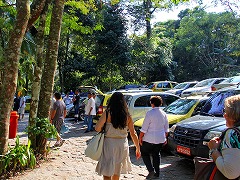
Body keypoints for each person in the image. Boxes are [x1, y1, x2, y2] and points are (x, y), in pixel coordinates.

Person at [95, 92, 141, 180]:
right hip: (122, 144)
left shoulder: (108, 113)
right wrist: (137, 148)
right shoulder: (127, 116)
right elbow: (133, 133)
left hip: (109, 144)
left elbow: (97, 128)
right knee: (117, 171)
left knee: (107, 171)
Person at [208, 95, 240, 179]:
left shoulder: (233, 134)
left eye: (225, 111)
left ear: (233, 115)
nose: (224, 115)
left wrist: (213, 150)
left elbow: (231, 173)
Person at [139, 96, 169, 179]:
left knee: (145, 153)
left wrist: (140, 138)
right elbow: (166, 129)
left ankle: (151, 170)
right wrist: (165, 138)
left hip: (149, 138)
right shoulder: (164, 113)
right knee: (156, 155)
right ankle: (157, 172)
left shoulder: (149, 113)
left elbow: (144, 128)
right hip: (160, 139)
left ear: (152, 103)